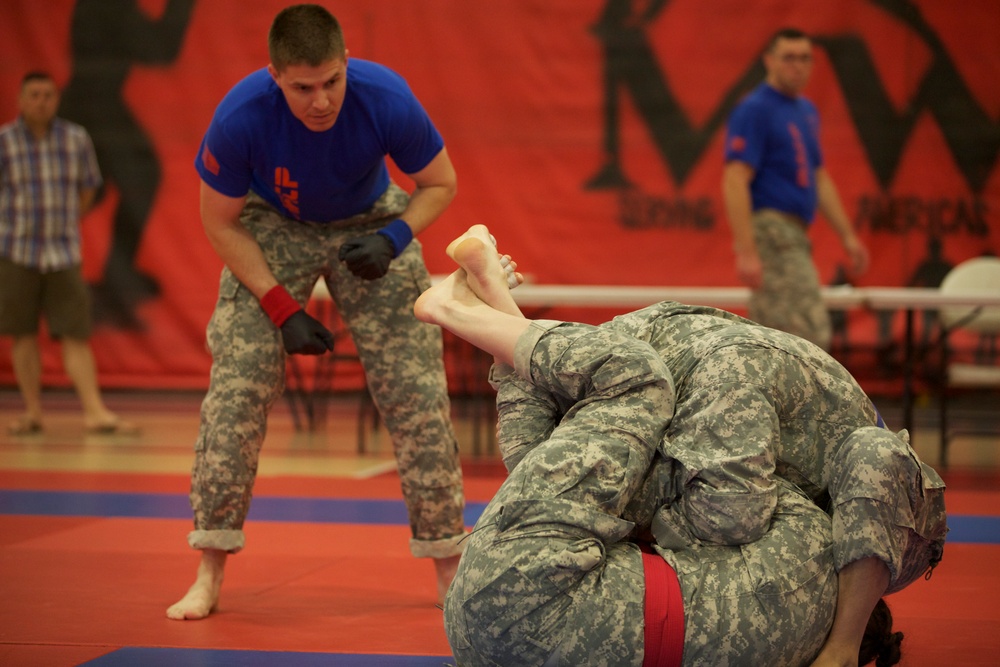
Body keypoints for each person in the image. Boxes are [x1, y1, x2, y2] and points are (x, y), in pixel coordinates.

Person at [415, 228, 910, 666]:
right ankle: (477, 308)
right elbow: (723, 516)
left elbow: (725, 516)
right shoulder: (802, 566)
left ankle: (488, 308)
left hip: (531, 589)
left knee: (605, 425)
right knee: (587, 444)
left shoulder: (806, 549)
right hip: (478, 620)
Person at [167, 4, 466, 619]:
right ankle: (209, 566)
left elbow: (440, 183)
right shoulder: (241, 116)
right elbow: (217, 222)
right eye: (303, 87)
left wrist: (395, 239)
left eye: (331, 80)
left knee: (416, 392)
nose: (321, 99)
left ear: (346, 63)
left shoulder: (385, 98)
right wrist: (280, 307)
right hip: (273, 224)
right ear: (275, 75)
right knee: (237, 388)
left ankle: (448, 566)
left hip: (371, 220)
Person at [0, 71, 139, 437]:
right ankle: (32, 412)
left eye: (48, 94)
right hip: (16, 251)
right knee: (22, 332)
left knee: (76, 332)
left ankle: (94, 412)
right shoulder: (4, 142)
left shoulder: (75, 139)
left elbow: (89, 188)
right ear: (20, 99)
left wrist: (65, 220)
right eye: (34, 94)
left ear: (56, 99)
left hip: (63, 252)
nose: (41, 101)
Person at [721, 27, 870, 351]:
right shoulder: (756, 108)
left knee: (777, 338)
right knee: (807, 335)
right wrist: (746, 250)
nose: (797, 66)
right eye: (789, 58)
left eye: (805, 58)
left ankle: (769, 400)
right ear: (769, 61)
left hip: (795, 235)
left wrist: (848, 236)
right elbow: (735, 179)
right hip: (773, 232)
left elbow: (818, 177)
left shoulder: (805, 110)